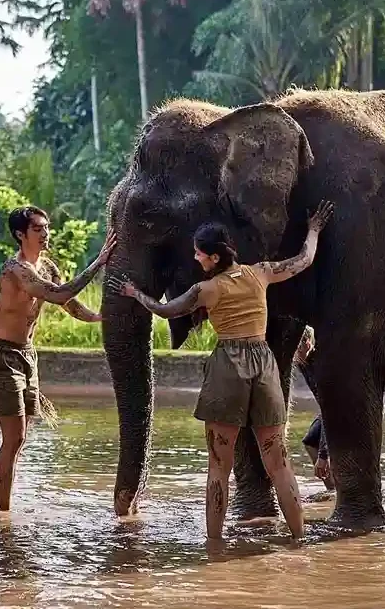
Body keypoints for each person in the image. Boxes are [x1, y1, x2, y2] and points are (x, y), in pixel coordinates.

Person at [112, 200, 335, 540]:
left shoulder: (206, 290)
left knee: (219, 466)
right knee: (278, 462)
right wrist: (314, 230)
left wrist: (135, 294)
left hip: (228, 365)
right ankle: (299, 539)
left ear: (214, 257)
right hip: (263, 364)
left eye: (200, 254)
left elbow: (166, 310)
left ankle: (214, 545)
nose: (196, 258)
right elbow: (304, 260)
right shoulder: (260, 272)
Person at [0, 206, 117, 510]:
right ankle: (4, 517)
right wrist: (99, 262)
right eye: (38, 229)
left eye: (47, 228)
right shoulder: (15, 270)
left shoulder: (48, 267)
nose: (46, 234)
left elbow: (68, 303)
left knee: (19, 438)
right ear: (20, 234)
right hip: (3, 356)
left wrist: (98, 317)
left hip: (28, 356)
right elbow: (56, 295)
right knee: (14, 438)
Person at [294, 325, 334, 491]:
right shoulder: (302, 362)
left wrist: (324, 455)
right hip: (329, 407)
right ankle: (333, 490)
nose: (294, 354)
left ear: (308, 344)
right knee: (311, 440)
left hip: (347, 408)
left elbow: (330, 407)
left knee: (335, 451)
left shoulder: (322, 362)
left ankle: (343, 494)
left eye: (297, 348)